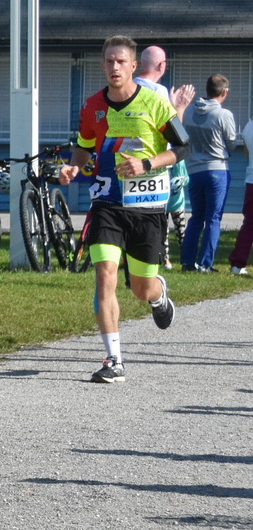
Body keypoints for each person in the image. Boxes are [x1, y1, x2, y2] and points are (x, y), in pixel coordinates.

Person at [58, 36, 186, 383]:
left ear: (133, 67)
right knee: (105, 275)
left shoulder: (155, 104)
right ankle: (114, 360)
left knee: (141, 288)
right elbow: (85, 149)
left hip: (147, 205)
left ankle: (158, 296)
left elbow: (183, 147)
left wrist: (146, 164)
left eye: (121, 62)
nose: (115, 67)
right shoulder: (92, 107)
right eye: (109, 62)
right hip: (107, 203)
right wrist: (74, 167)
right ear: (103, 66)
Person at [134, 47, 196, 269]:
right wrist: (178, 107)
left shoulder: (128, 87)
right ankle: (159, 258)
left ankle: (134, 257)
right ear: (161, 66)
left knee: (132, 213)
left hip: (127, 162)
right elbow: (174, 133)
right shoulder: (157, 91)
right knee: (158, 213)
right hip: (155, 163)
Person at [181, 74, 236, 272]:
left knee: (196, 216)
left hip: (194, 169)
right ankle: (205, 263)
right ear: (224, 92)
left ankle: (187, 261)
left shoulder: (189, 111)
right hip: (217, 169)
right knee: (213, 218)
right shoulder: (223, 114)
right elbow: (231, 141)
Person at [229, 117, 253, 277]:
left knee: (249, 225)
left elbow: (246, 153)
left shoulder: (249, 125)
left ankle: (238, 263)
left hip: (251, 180)